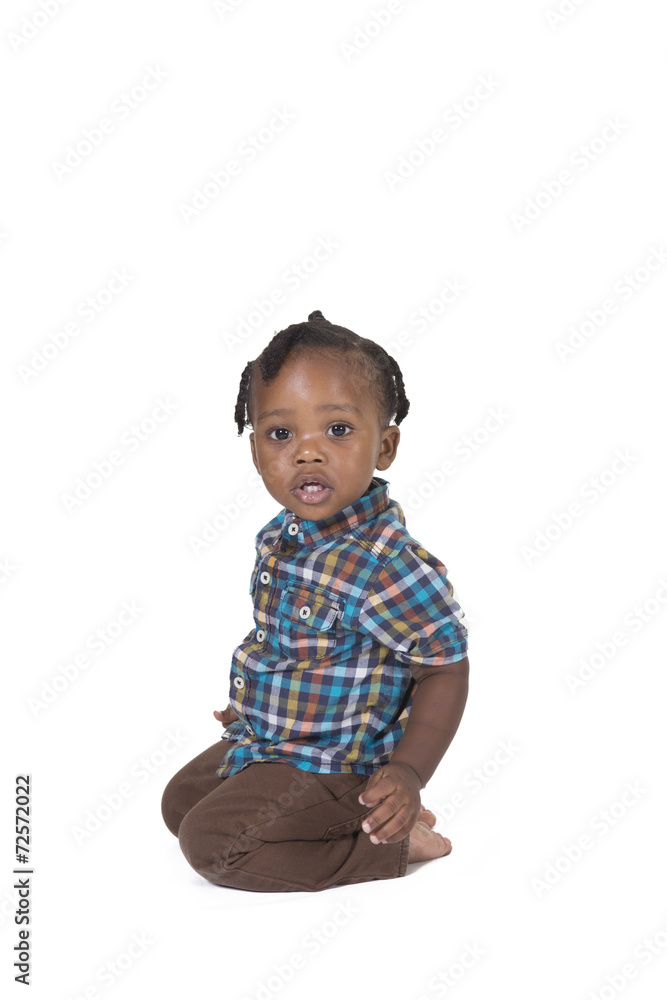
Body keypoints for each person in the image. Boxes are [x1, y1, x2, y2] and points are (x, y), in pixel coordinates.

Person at [161, 310, 470, 892]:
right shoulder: (281, 538)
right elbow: (289, 650)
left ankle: (388, 843)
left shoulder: (387, 562)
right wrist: (254, 710)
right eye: (282, 435)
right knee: (179, 805)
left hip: (338, 762)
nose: (307, 453)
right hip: (277, 741)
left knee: (211, 846)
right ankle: (354, 825)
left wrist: (408, 772)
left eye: (337, 431)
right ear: (256, 453)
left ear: (386, 445)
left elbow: (444, 667)